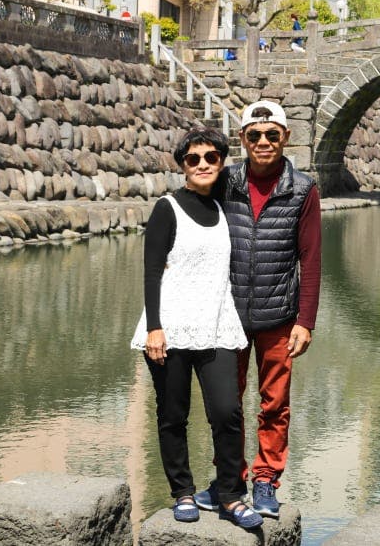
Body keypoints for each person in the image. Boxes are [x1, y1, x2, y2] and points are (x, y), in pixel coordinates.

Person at [131, 128, 263, 530]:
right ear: (183, 165)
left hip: (217, 323)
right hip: (170, 328)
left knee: (227, 412)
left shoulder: (224, 208)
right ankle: (182, 492)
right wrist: (155, 328)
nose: (203, 164)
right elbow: (151, 272)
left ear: (221, 162)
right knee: (173, 415)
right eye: (193, 158)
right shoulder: (167, 208)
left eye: (211, 157)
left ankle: (230, 496)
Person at [195, 100, 322, 519]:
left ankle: (266, 480)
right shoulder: (224, 181)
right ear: (243, 139)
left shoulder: (302, 189)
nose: (263, 142)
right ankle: (228, 479)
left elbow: (311, 259)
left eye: (271, 134)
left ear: (286, 137)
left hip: (279, 318)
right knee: (225, 405)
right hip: (226, 316)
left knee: (275, 405)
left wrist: (306, 321)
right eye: (254, 135)